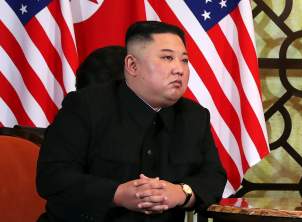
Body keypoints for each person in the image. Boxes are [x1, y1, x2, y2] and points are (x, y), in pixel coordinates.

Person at [36, 21, 227, 222]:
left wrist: (181, 193)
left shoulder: (194, 116)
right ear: (132, 65)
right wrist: (116, 194)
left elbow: (213, 177)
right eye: (167, 58)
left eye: (184, 60)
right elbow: (52, 176)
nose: (179, 69)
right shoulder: (85, 107)